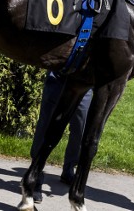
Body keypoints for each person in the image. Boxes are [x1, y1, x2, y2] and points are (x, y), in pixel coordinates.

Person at [29, 71, 93, 203]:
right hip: (59, 76)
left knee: (80, 129)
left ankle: (69, 169)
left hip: (84, 83)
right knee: (45, 127)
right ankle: (35, 177)